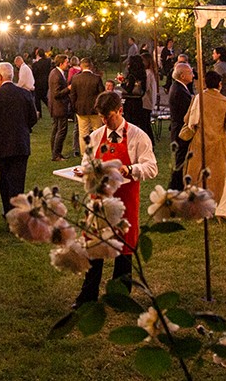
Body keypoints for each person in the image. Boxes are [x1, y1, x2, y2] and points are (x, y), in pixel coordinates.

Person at [75, 91, 158, 307]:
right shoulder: (95, 136)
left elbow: (151, 167)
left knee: (124, 251)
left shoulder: (138, 136)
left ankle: (120, 296)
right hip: (99, 201)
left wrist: (130, 169)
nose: (105, 122)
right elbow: (88, 161)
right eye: (102, 117)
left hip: (124, 201)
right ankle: (88, 295)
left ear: (120, 111)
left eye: (108, 117)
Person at [181, 71, 226, 223]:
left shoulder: (198, 98)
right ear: (219, 84)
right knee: (223, 177)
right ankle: (221, 210)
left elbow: (188, 119)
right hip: (219, 144)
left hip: (199, 142)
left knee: (198, 175)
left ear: (205, 83)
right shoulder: (225, 101)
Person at [0, 62, 38, 215]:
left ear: (0, 77)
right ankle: (16, 212)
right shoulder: (25, 94)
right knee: (17, 181)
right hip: (20, 142)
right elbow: (33, 118)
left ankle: (9, 210)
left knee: (5, 179)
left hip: (1, 144)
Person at [68, 58, 105, 158]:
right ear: (91, 66)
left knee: (83, 132)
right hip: (95, 109)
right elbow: (102, 94)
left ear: (81, 66)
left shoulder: (76, 78)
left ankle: (85, 154)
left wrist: (74, 106)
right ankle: (97, 152)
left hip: (81, 109)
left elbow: (73, 95)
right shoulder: (96, 78)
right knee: (97, 130)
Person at [166, 62, 193, 190]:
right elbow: (186, 112)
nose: (192, 74)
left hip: (177, 129)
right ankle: (175, 187)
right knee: (180, 160)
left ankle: (177, 186)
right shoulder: (179, 90)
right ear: (182, 75)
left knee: (181, 159)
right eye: (190, 72)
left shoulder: (179, 88)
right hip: (180, 130)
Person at [121, 52, 153, 143]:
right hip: (139, 101)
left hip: (131, 102)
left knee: (131, 124)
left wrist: (123, 83)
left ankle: (131, 141)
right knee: (140, 123)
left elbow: (129, 89)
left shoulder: (131, 76)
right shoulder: (143, 75)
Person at [47, 54, 72, 161]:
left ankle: (55, 152)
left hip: (56, 106)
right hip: (59, 106)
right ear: (61, 63)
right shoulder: (57, 75)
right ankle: (56, 154)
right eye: (67, 62)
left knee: (56, 129)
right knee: (61, 130)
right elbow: (57, 93)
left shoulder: (55, 72)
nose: (68, 64)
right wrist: (68, 88)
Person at [31, 48, 53, 117]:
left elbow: (34, 73)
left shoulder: (36, 64)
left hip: (38, 82)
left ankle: (39, 112)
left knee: (37, 98)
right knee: (44, 97)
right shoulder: (48, 61)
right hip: (46, 81)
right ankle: (51, 109)